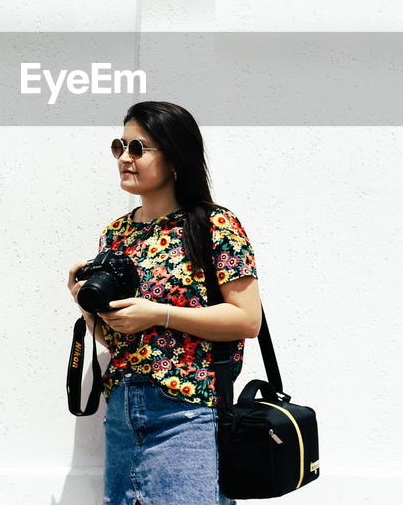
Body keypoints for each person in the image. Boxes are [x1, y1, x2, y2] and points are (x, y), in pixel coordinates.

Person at [67, 100, 262, 505]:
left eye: (138, 149)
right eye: (119, 146)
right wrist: (88, 309)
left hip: (187, 411)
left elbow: (247, 319)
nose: (124, 158)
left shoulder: (212, 223)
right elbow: (115, 338)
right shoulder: (116, 233)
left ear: (175, 158)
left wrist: (160, 314)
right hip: (122, 409)